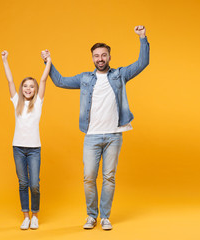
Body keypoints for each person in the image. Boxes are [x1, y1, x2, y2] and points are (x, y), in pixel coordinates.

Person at [41, 26, 149, 230]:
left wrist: (142, 37)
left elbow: (143, 62)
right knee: (89, 177)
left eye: (104, 55)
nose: (100, 58)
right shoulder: (85, 79)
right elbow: (60, 81)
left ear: (109, 56)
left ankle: (105, 217)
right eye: (96, 56)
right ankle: (91, 216)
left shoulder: (120, 75)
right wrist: (48, 62)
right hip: (91, 136)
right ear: (92, 58)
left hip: (114, 135)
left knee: (109, 177)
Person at [2, 49, 52, 230]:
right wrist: (5, 60)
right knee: (23, 183)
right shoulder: (17, 102)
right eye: (25, 86)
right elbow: (10, 80)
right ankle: (25, 216)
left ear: (35, 90)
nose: (28, 89)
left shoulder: (38, 102)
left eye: (31, 86)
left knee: (34, 184)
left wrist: (48, 61)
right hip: (18, 148)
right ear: (22, 90)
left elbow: (44, 79)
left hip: (34, 149)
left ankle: (35, 215)